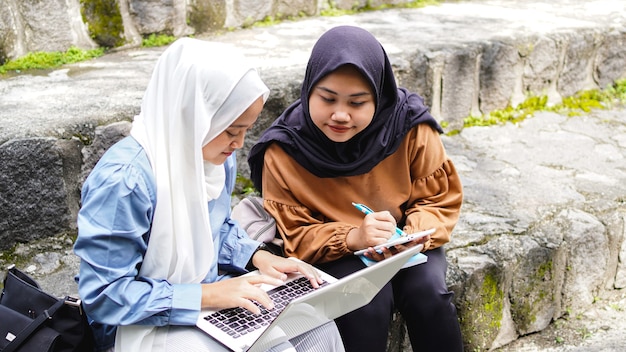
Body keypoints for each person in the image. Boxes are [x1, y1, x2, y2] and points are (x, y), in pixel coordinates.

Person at [73, 37, 345, 352]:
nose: (239, 144)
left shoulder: (212, 159)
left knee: (317, 327)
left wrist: (260, 257)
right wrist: (207, 296)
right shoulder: (125, 181)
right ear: (193, 115)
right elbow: (105, 296)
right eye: (231, 131)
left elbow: (213, 228)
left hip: (210, 296)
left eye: (246, 129)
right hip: (138, 325)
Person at [248, 26, 464, 352]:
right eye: (327, 98)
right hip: (337, 249)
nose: (340, 114)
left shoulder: (409, 127)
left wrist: (404, 239)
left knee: (429, 293)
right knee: (364, 303)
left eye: (357, 102)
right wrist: (354, 238)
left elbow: (438, 199)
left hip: (409, 240)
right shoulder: (286, 149)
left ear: (379, 96)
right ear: (308, 90)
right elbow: (295, 233)